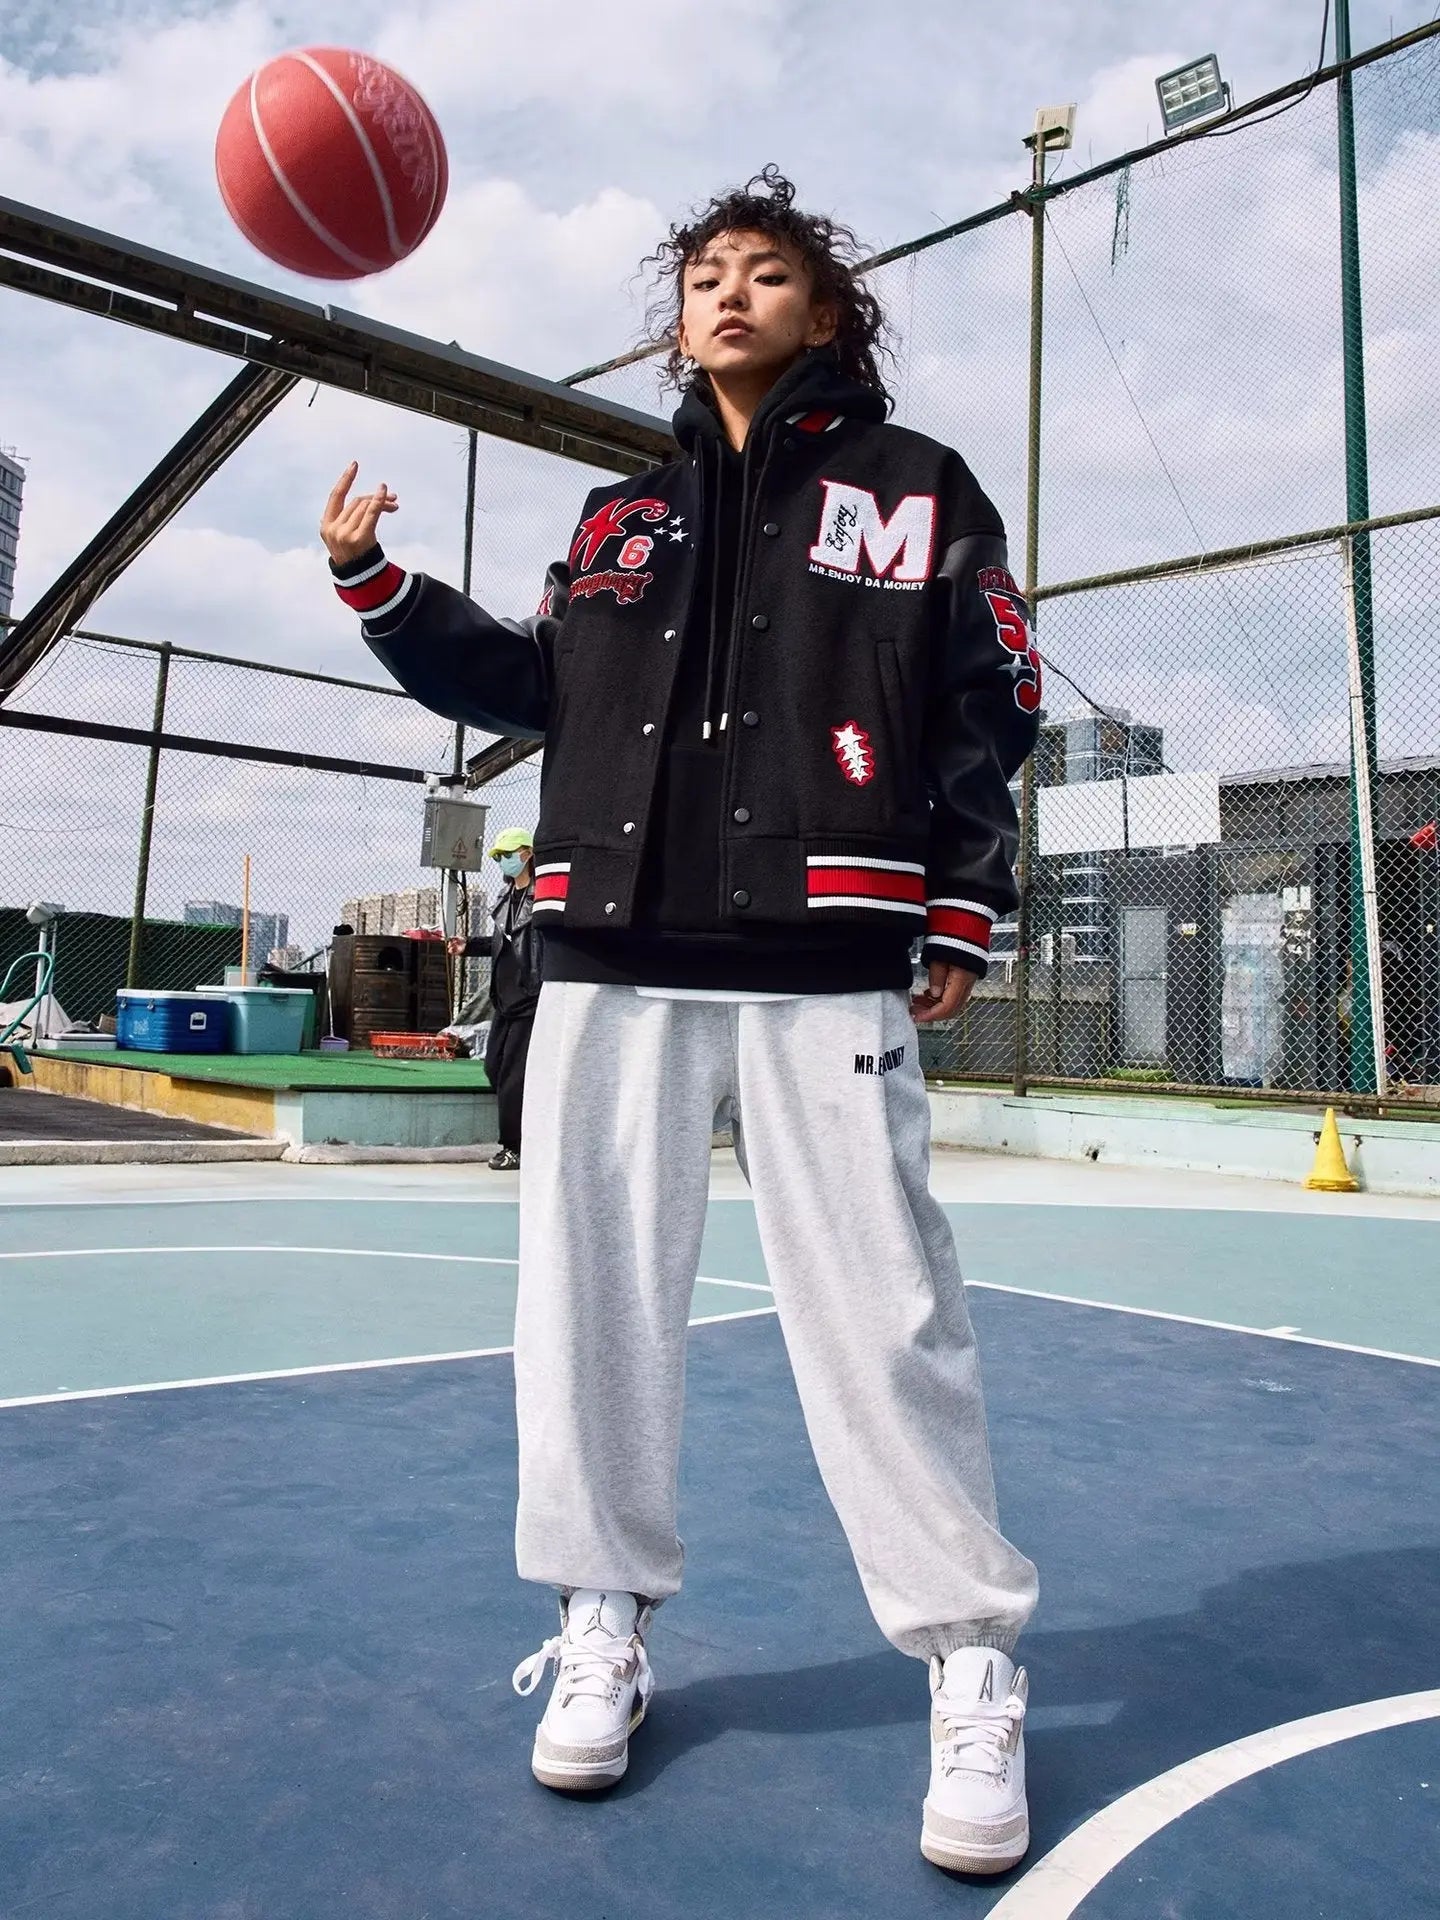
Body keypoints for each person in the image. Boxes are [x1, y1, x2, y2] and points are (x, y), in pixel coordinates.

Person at [320, 165, 1040, 1877]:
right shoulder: (618, 518)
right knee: (588, 1311)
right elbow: (531, 687)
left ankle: (969, 1658)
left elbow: (987, 699)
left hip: (823, 955)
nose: (728, 293)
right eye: (707, 272)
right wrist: (379, 589)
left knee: (886, 1317)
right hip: (612, 952)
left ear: (826, 310)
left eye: (766, 271)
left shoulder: (917, 491)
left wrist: (959, 891)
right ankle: (602, 1621)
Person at [448, 827, 542, 1171]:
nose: (503, 861)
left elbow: (537, 945)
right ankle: (525, 1135)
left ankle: (513, 1147)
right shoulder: (506, 897)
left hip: (530, 999)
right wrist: (468, 946)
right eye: (499, 856)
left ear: (527, 854)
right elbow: (502, 941)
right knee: (494, 1068)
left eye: (507, 854)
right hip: (504, 1000)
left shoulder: (541, 896)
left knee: (514, 1075)